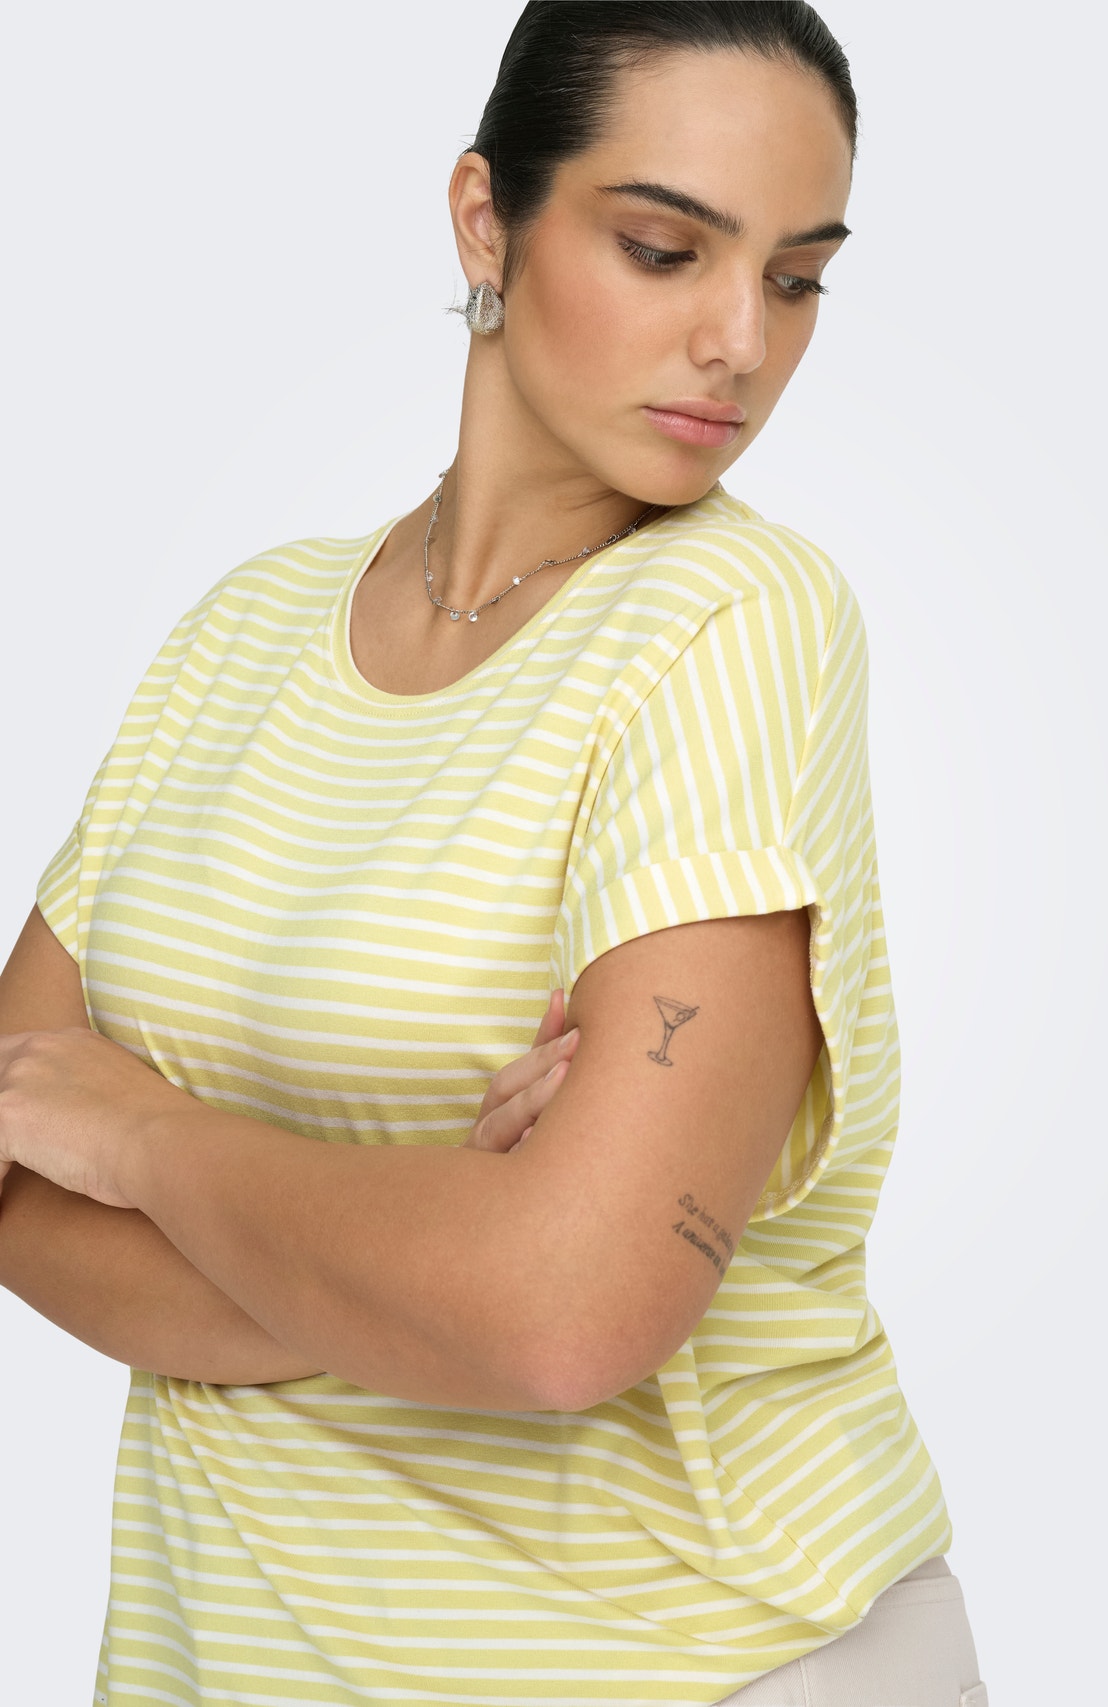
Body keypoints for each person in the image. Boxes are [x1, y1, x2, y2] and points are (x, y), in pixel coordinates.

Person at [0, 4, 989, 1703]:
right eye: (664, 249)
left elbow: (563, 1313)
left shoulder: (734, 621)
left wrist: (148, 1138)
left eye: (798, 278)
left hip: (694, 1662)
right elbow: (17, 1163)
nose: (739, 341)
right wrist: (438, 1252)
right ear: (486, 220)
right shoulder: (238, 635)